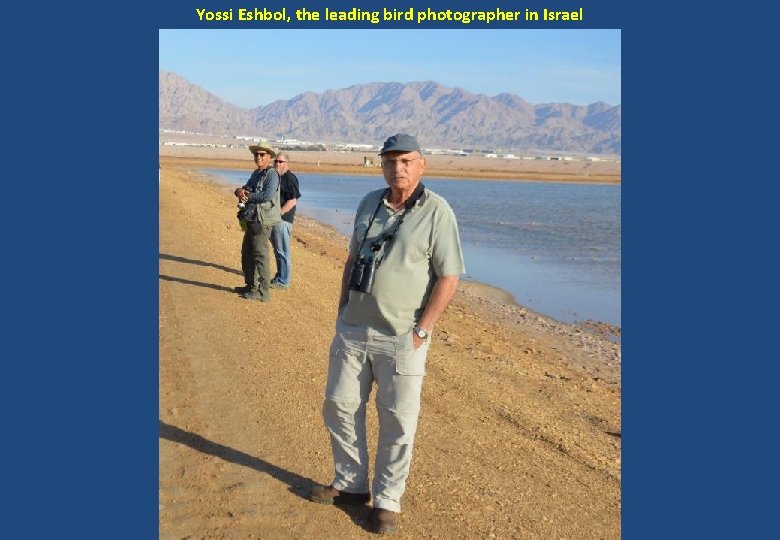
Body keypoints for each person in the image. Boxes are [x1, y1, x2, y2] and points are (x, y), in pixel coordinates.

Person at [309, 134, 465, 534]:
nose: (399, 168)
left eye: (407, 161)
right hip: (354, 329)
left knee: (397, 420)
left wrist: (422, 329)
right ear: (381, 165)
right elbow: (351, 259)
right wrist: (342, 309)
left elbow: (449, 276)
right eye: (391, 161)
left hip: (402, 337)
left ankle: (388, 500)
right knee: (339, 406)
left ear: (422, 165)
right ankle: (351, 484)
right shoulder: (369, 203)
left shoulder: (437, 212)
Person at [234, 141, 282, 302]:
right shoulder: (256, 174)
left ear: (269, 157)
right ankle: (251, 286)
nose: (259, 157)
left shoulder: (272, 175)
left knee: (260, 256)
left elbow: (267, 196)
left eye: (262, 154)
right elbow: (246, 187)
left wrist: (247, 195)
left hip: (263, 220)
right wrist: (239, 191)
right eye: (256, 154)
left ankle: (263, 292)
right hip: (251, 219)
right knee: (247, 254)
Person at [269, 152, 302, 289]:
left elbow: (293, 200)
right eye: (276, 161)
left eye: (280, 162)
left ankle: (284, 281)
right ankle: (280, 276)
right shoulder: (277, 177)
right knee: (277, 250)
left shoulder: (289, 178)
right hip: (275, 218)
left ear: (287, 163)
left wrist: (280, 213)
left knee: (283, 250)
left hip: (283, 220)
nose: (277, 164)